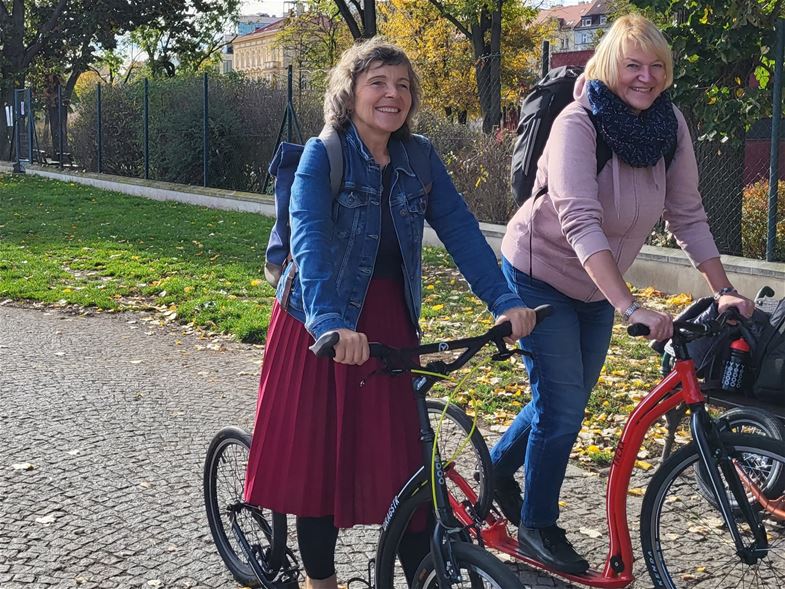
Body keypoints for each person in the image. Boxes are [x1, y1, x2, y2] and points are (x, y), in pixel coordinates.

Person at [243, 37, 537, 589]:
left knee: (408, 468)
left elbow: (461, 231)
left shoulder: (418, 157)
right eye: (378, 82)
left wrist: (506, 302)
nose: (392, 94)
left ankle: (424, 578)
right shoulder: (323, 153)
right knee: (320, 469)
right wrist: (331, 323)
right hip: (320, 322)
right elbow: (307, 239)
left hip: (389, 322)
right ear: (350, 91)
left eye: (402, 85)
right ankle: (320, 581)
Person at [490, 14, 756, 575]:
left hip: (597, 287)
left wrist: (724, 289)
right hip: (539, 275)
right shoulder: (577, 123)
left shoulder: (670, 125)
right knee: (562, 410)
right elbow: (580, 220)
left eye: (657, 66)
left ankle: (492, 475)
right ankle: (537, 526)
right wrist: (629, 304)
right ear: (611, 65)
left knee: (562, 400)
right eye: (634, 64)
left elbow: (687, 214)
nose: (646, 77)